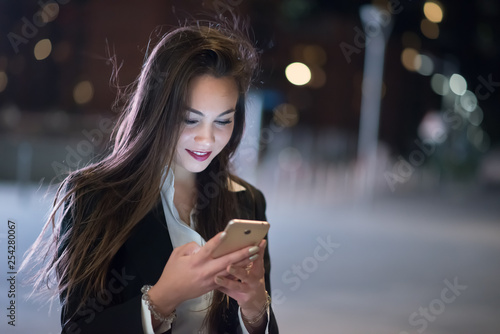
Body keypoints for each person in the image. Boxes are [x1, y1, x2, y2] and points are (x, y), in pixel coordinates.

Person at [24, 20, 279, 334]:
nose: (207, 139)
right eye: (190, 119)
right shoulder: (96, 197)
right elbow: (77, 328)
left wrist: (255, 311)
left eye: (223, 121)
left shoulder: (247, 200)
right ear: (157, 110)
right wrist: (161, 299)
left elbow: (254, 322)